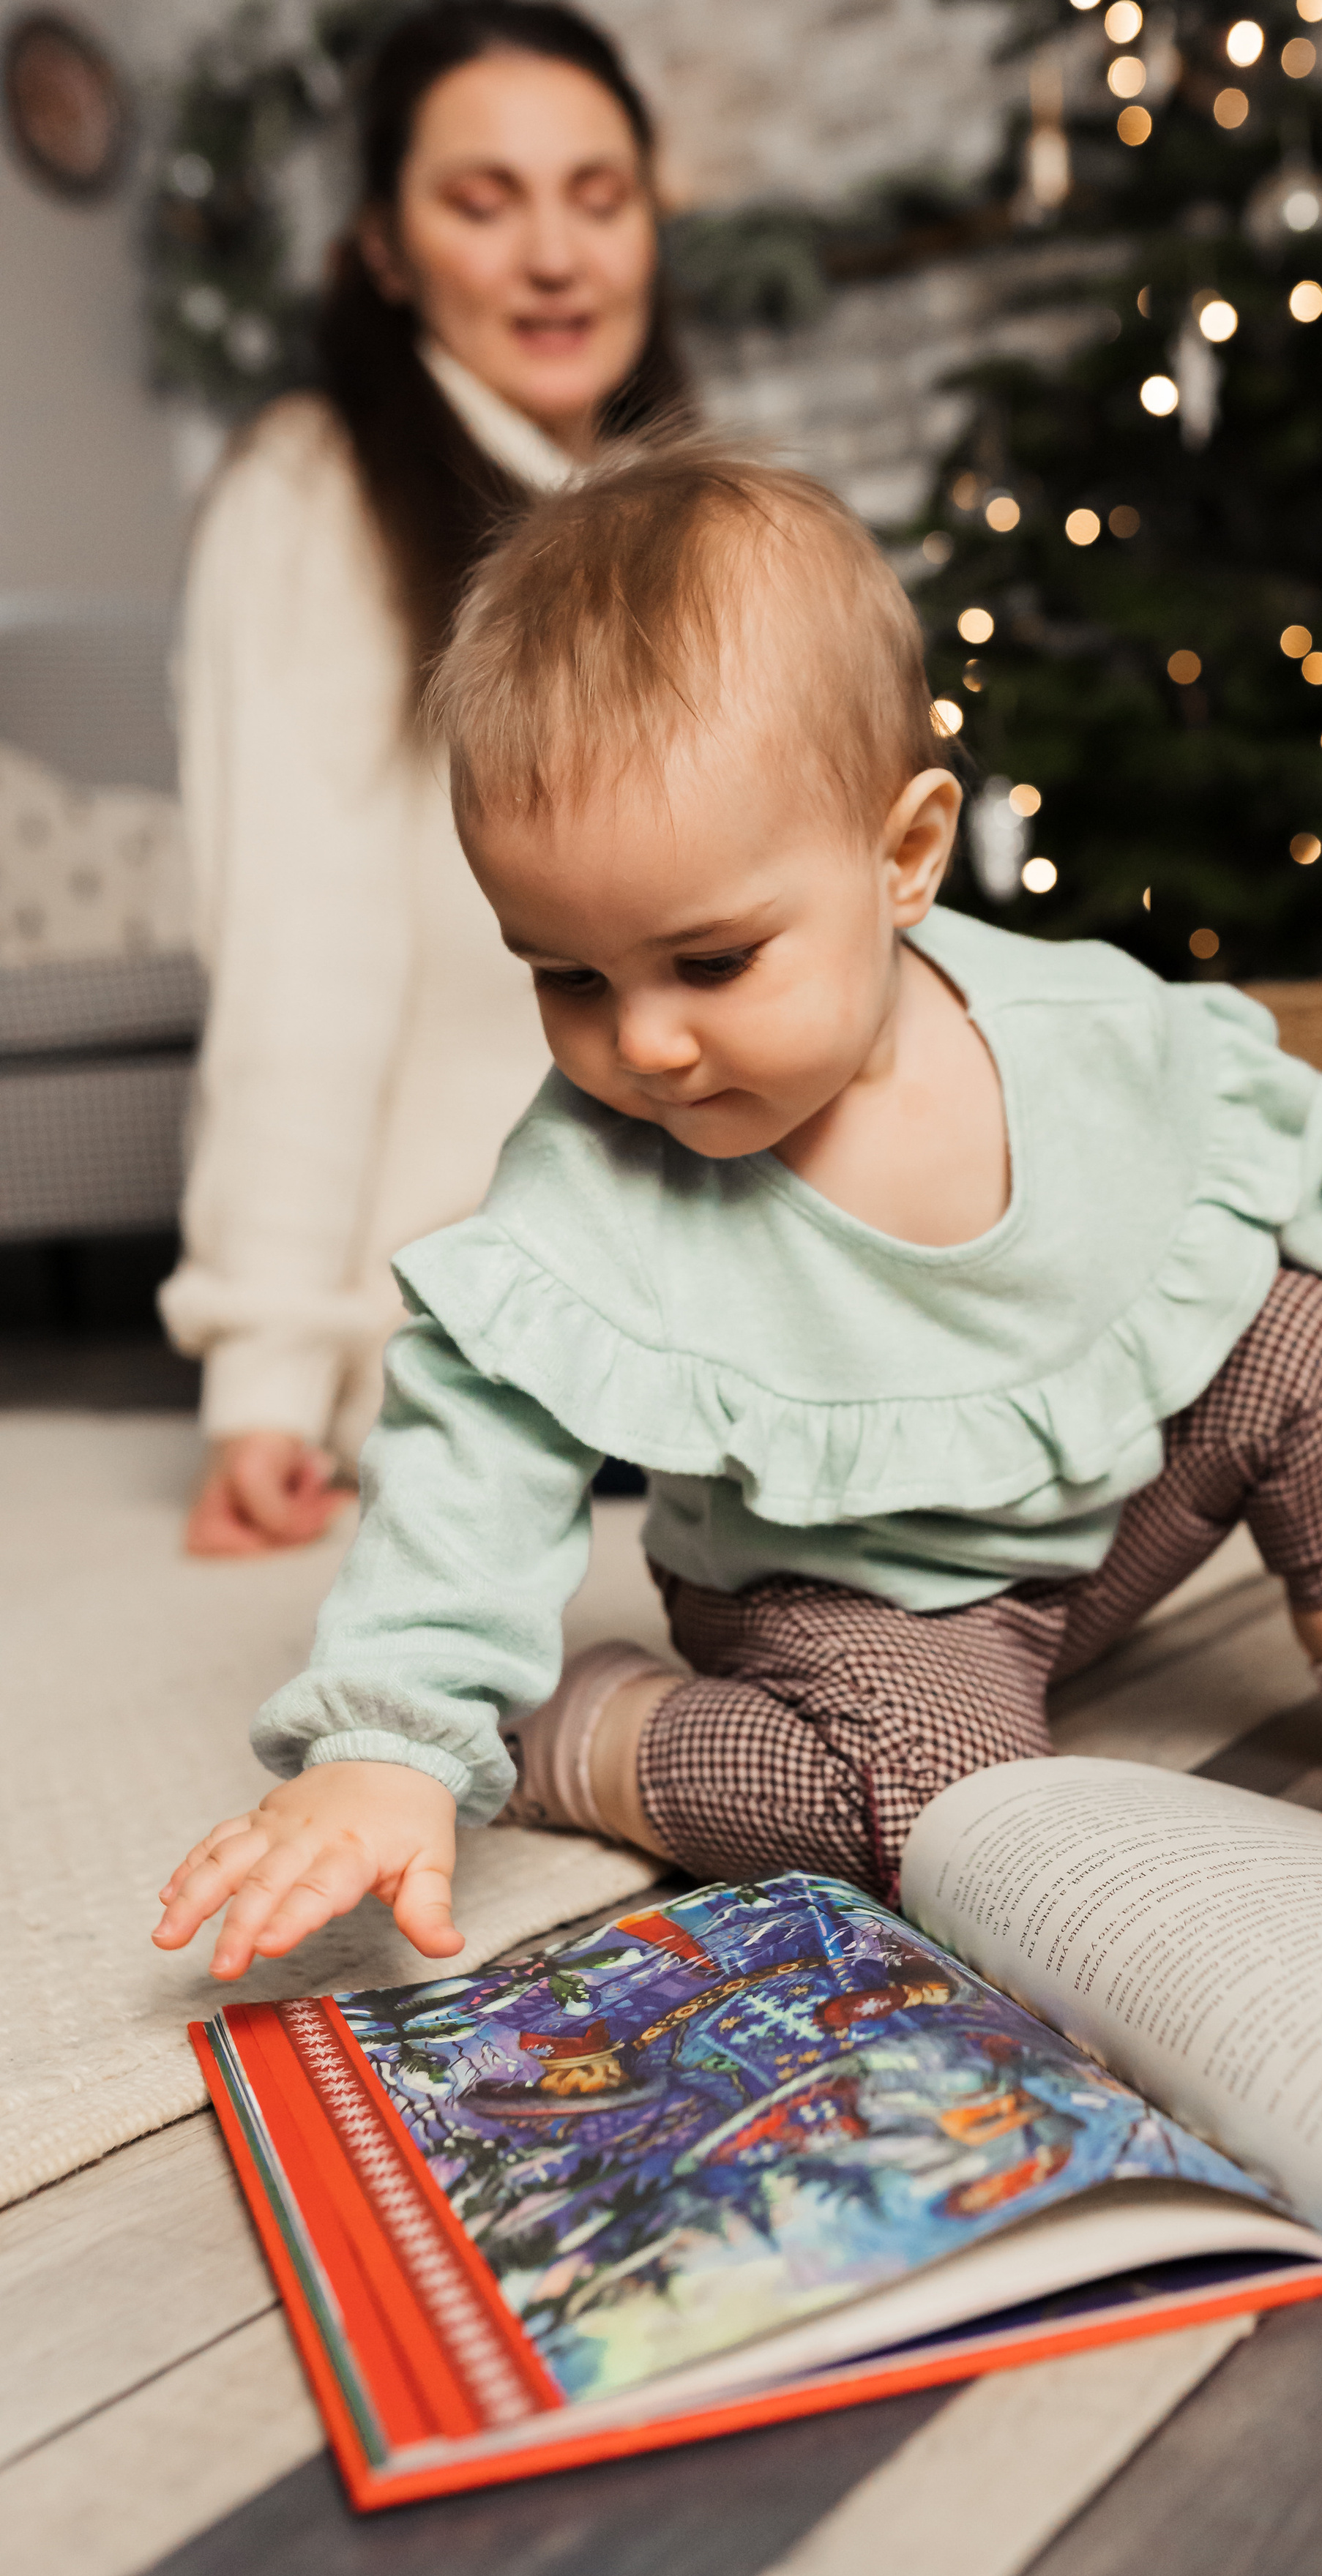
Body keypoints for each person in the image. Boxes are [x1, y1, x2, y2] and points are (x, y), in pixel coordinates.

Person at [153, 438, 1322, 1982]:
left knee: (1295, 1325)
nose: (643, 1044)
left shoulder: (1075, 1024)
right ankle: (596, 1732)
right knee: (942, 1810)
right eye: (568, 975)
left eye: (709, 962)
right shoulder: (604, 1167)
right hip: (836, 1607)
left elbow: (1267, 1121)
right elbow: (468, 1444)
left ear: (902, 855)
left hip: (1089, 1529)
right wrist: (391, 1739)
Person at [159, 1, 685, 1557]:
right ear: (384, 248)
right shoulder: (308, 496)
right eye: (481, 200)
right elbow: (295, 956)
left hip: (704, 1244)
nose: (554, 256)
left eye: (599, 197)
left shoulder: (666, 507)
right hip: (486, 1305)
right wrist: (262, 1380)